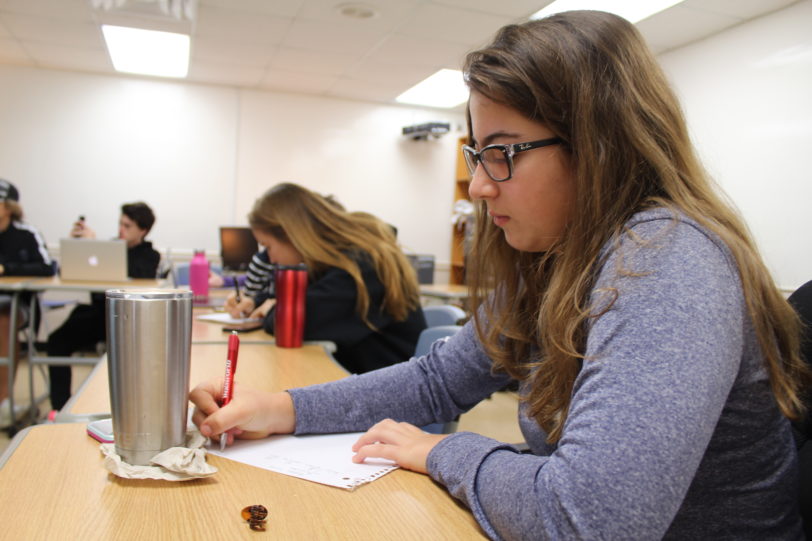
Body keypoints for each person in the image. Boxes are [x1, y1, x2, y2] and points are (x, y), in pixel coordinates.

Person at [190, 11, 808, 539]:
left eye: (504, 153)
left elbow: (587, 521)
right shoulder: (558, 257)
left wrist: (443, 452)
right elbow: (437, 383)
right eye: (477, 154)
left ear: (598, 145)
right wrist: (280, 408)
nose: (481, 185)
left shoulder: (669, 259)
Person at [228, 183, 425, 374]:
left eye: (268, 246)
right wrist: (255, 302)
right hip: (363, 379)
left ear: (292, 235)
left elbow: (290, 323)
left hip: (390, 393)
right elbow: (307, 298)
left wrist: (273, 308)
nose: (270, 259)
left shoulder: (362, 267)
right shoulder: (335, 262)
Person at [47, 202, 160, 410]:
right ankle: (60, 408)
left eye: (127, 226)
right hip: (99, 313)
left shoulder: (150, 255)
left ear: (143, 230)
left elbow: (140, 274)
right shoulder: (106, 249)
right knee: (56, 342)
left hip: (129, 319)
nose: (121, 230)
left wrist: (98, 246)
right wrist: (81, 246)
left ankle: (126, 407)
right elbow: (73, 270)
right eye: (120, 224)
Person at [0, 179, 54, 426]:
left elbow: (46, 267)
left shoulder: (26, 234)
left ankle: (3, 400)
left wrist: (6, 269)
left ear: (9, 207)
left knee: (3, 319)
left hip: (17, 306)